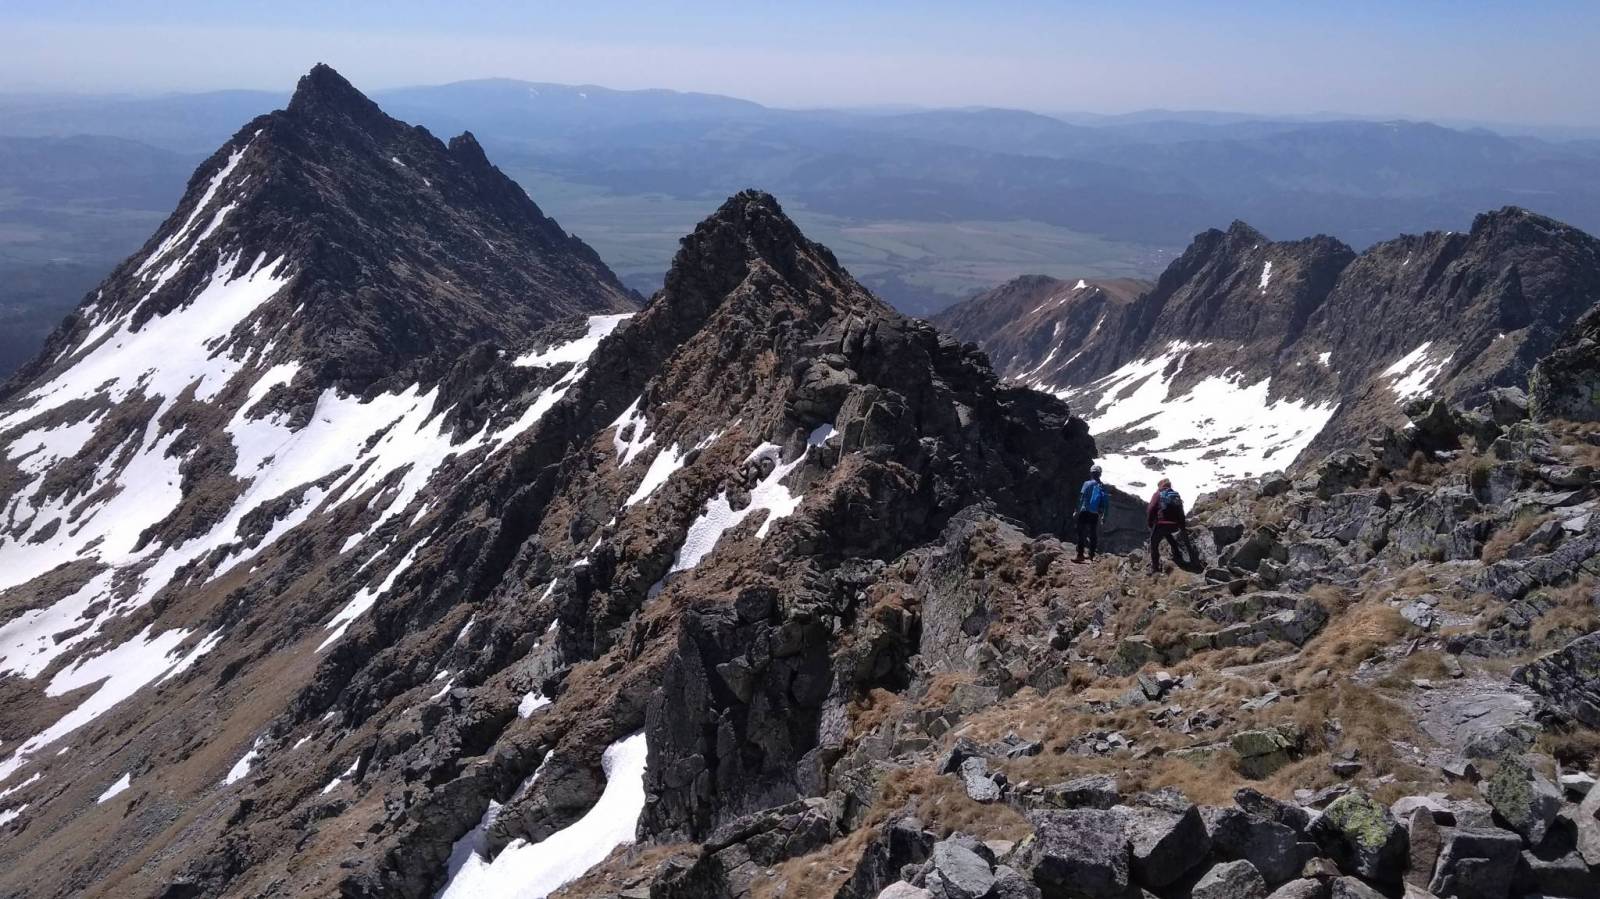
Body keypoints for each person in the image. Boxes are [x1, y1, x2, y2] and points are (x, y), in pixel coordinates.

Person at [1146, 477, 1188, 573]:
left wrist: (1150, 523)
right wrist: (1182, 526)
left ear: (1160, 485)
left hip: (1161, 523)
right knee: (1168, 535)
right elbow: (1181, 511)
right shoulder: (1175, 495)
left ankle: (1155, 568)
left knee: (1153, 544)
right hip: (1174, 525)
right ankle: (1178, 555)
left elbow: (1151, 509)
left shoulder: (1158, 494)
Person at [1074, 465, 1109, 562]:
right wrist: (1104, 516)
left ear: (1091, 473)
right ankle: (1091, 556)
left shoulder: (1087, 484)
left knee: (1081, 532)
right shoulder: (1103, 487)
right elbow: (1106, 503)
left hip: (1085, 511)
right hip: (1095, 513)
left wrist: (1076, 510)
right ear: (1100, 474)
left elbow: (1081, 498)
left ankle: (1080, 555)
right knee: (1093, 533)